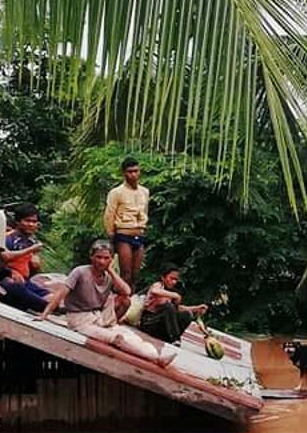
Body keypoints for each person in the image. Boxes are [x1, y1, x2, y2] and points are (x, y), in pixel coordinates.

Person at [39, 240, 175, 366]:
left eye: (106, 258)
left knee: (132, 336)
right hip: (80, 320)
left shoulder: (108, 277)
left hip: (100, 317)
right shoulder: (80, 272)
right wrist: (45, 315)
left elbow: (126, 291)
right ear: (91, 257)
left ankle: (156, 355)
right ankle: (155, 359)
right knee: (117, 338)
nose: (101, 261)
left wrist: (110, 270)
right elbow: (61, 293)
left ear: (111, 259)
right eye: (98, 257)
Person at [104, 156, 150, 290]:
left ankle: (131, 301)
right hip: (123, 234)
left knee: (135, 274)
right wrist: (111, 234)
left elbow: (145, 211)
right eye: (130, 171)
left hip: (139, 233)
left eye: (136, 171)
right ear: (124, 173)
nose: (133, 174)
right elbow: (109, 214)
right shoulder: (116, 192)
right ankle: (118, 301)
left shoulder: (144, 192)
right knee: (126, 274)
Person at [0, 203, 50, 312]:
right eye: (27, 221)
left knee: (52, 297)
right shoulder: (8, 238)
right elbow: (1, 260)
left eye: (34, 222)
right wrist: (9, 272)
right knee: (43, 304)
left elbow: (33, 269)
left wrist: (36, 265)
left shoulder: (32, 241)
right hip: (7, 281)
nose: (31, 224)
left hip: (25, 281)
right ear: (18, 222)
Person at [139, 265, 209, 344]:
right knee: (168, 307)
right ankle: (175, 338)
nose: (174, 282)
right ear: (163, 277)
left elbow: (177, 309)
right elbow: (154, 291)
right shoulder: (159, 285)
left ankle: (169, 337)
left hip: (161, 327)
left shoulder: (171, 292)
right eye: (171, 278)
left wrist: (196, 308)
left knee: (186, 314)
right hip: (149, 322)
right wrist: (175, 295)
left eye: (175, 279)